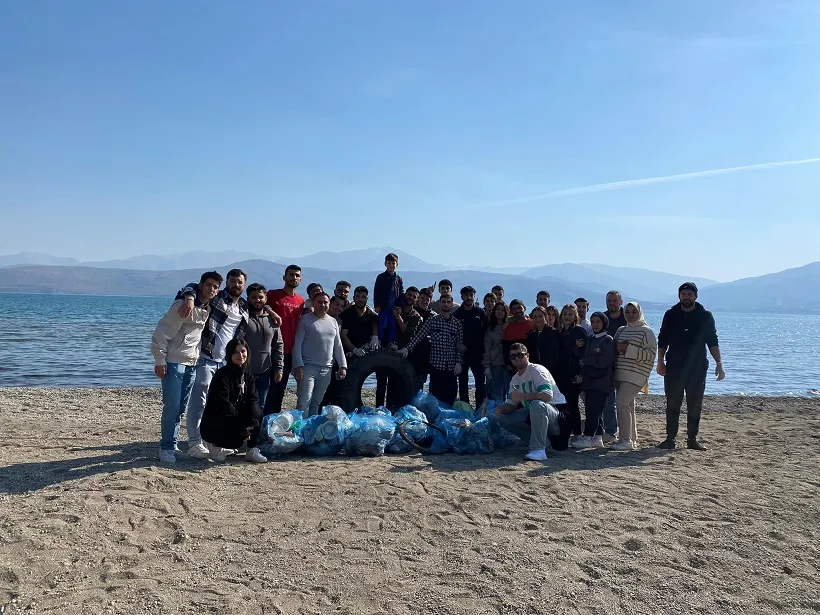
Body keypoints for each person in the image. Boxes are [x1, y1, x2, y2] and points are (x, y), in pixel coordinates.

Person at [175, 268, 250, 459]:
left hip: (223, 363)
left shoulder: (243, 306)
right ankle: (194, 443)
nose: (236, 284)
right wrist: (190, 298)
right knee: (198, 402)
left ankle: (214, 443)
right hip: (205, 358)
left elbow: (260, 307)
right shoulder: (217, 298)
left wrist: (270, 310)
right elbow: (192, 287)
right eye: (232, 281)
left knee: (217, 404)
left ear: (244, 284)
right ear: (227, 282)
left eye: (239, 282)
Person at [151, 271, 221, 464]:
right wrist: (160, 360)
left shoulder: (207, 308)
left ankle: (172, 445)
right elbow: (161, 332)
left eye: (215, 287)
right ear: (200, 285)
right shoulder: (182, 306)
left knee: (181, 407)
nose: (212, 289)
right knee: (171, 406)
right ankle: (165, 448)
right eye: (208, 285)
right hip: (173, 362)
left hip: (192, 363)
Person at [657, 282, 725, 451]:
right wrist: (660, 362)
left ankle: (692, 439)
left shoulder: (705, 315)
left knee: (695, 404)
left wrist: (719, 363)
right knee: (673, 403)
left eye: (689, 294)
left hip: (697, 367)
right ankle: (670, 439)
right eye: (684, 294)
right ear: (679, 296)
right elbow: (663, 339)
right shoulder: (671, 314)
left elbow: (712, 341)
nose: (686, 297)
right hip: (674, 366)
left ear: (695, 296)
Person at [494, 343, 567, 462]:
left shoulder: (537, 370)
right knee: (502, 418)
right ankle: (541, 442)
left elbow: (547, 396)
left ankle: (539, 449)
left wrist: (522, 396)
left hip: (558, 417)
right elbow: (511, 405)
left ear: (527, 355)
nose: (517, 358)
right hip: (536, 415)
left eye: (520, 355)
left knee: (536, 404)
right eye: (513, 356)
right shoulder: (514, 379)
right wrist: (500, 409)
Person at [199, 338, 267, 463]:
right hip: (218, 419)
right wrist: (242, 426)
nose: (240, 355)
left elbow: (253, 399)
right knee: (231, 430)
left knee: (258, 411)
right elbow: (223, 403)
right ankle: (216, 447)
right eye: (235, 352)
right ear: (229, 354)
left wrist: (251, 421)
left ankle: (251, 450)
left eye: (242, 351)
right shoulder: (222, 375)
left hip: (236, 416)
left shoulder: (249, 376)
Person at [399, 294, 464, 404]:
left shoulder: (457, 323)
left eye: (448, 302)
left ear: (452, 304)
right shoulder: (432, 320)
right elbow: (419, 337)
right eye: (443, 302)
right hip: (436, 366)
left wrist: (459, 362)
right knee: (435, 399)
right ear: (440, 303)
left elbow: (459, 344)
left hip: (452, 367)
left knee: (450, 398)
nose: (446, 304)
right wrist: (406, 349)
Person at [292, 292, 348, 417]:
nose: (323, 305)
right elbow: (297, 344)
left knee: (316, 403)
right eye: (319, 302)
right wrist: (298, 365)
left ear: (329, 304)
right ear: (313, 303)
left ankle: (310, 430)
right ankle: (300, 431)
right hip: (307, 367)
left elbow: (337, 345)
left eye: (325, 302)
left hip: (326, 369)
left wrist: (343, 366)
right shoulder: (305, 320)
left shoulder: (333, 321)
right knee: (303, 402)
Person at [612, 301, 657, 451]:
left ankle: (624, 440)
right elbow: (613, 349)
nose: (630, 315)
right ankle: (632, 437)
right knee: (629, 406)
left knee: (621, 402)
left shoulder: (646, 331)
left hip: (637, 375)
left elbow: (651, 355)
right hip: (620, 373)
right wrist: (617, 348)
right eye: (627, 312)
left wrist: (629, 349)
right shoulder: (621, 330)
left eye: (633, 312)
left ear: (639, 313)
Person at [571, 312, 616, 449]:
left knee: (594, 411)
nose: (596, 324)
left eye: (598, 322)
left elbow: (604, 361)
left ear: (604, 323)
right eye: (593, 321)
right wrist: (577, 348)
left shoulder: (608, 339)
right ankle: (597, 437)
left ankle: (587, 437)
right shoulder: (590, 339)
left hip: (601, 381)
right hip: (588, 381)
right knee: (592, 410)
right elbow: (581, 358)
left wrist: (587, 361)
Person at [265, 265, 306, 415]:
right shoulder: (273, 294)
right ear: (284, 277)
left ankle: (271, 422)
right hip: (271, 350)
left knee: (279, 390)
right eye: (291, 275)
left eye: (296, 275)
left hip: (290, 352)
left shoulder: (301, 301)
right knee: (266, 389)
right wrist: (270, 311)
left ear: (300, 280)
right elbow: (259, 304)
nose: (293, 278)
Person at [376, 287, 421, 407]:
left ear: (416, 300)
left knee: (395, 383)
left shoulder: (415, 316)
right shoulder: (393, 307)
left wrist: (397, 316)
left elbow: (407, 332)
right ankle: (379, 409)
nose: (410, 298)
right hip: (385, 349)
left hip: (401, 352)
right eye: (409, 294)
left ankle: (393, 408)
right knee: (381, 382)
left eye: (414, 296)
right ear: (404, 295)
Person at [244, 283, 284, 409]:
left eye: (260, 297)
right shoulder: (243, 318)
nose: (257, 300)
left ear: (265, 298)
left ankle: (257, 429)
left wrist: (279, 368)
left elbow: (278, 345)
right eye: (253, 297)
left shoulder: (273, 320)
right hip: (244, 371)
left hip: (264, 371)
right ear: (248, 299)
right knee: (242, 404)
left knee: (260, 405)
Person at [453, 286, 489, 408]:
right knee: (462, 383)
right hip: (463, 355)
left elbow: (486, 333)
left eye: (471, 295)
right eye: (466, 295)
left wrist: (485, 351)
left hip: (478, 354)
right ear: (462, 296)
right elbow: (453, 333)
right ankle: (465, 408)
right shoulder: (457, 314)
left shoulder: (480, 313)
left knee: (480, 383)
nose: (469, 297)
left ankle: (479, 409)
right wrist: (458, 343)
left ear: (474, 296)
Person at [600, 290, 628, 442]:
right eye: (609, 301)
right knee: (609, 401)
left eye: (614, 300)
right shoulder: (603, 319)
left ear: (620, 301)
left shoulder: (629, 317)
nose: (611, 303)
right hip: (608, 366)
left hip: (626, 365)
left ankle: (628, 433)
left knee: (626, 402)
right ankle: (611, 432)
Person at [556, 303, 587, 436]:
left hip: (574, 374)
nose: (567, 317)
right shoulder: (561, 332)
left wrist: (573, 347)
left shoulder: (579, 331)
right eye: (565, 314)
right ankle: (567, 432)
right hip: (562, 373)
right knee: (563, 404)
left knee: (573, 404)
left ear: (575, 316)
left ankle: (578, 433)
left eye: (570, 314)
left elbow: (581, 353)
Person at [373, 252, 404, 347]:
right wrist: (377, 305)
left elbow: (401, 293)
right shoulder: (381, 277)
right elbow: (377, 291)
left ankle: (391, 342)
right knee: (382, 323)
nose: (391, 265)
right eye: (389, 263)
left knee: (392, 325)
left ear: (397, 265)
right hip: (384, 306)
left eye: (393, 263)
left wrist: (400, 306)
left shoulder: (398, 279)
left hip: (393, 306)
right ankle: (379, 340)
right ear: (385, 264)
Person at [340, 286, 379, 357]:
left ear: (367, 299)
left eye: (363, 297)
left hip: (367, 353)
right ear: (354, 298)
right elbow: (343, 335)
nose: (360, 299)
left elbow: (375, 328)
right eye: (358, 296)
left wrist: (375, 337)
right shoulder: (346, 314)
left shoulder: (373, 315)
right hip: (349, 353)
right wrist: (354, 349)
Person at [483, 302, 510, 401]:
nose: (500, 312)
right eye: (498, 309)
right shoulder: (490, 330)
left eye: (503, 310)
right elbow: (487, 349)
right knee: (496, 394)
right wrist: (487, 366)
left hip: (509, 365)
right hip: (495, 365)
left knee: (510, 393)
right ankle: (496, 415)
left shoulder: (510, 326)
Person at [526, 306, 562, 377]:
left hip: (551, 372)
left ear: (545, 317)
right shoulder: (532, 334)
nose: (537, 319)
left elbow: (556, 355)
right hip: (535, 371)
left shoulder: (553, 332)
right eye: (535, 317)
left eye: (540, 316)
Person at [411, 287, 434, 390]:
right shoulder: (411, 312)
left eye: (427, 299)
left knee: (419, 385)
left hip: (424, 356)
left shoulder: (433, 316)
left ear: (430, 301)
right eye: (422, 298)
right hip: (410, 353)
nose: (425, 301)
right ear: (418, 298)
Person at [502, 299, 532, 375]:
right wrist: (508, 364)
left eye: (519, 308)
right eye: (514, 309)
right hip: (514, 367)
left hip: (531, 366)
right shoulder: (509, 326)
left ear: (524, 308)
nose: (517, 310)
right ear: (511, 312)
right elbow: (506, 348)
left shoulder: (532, 324)